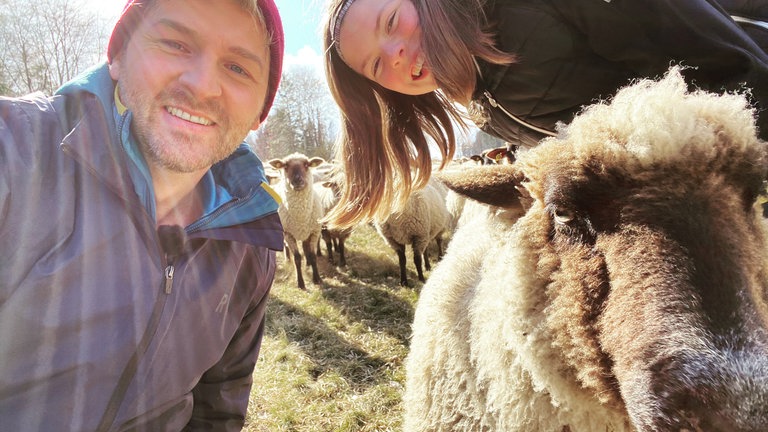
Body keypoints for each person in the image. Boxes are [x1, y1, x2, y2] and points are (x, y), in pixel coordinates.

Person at [0, 0, 285, 430]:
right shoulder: (16, 154)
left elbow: (217, 411)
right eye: (174, 43)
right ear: (116, 56)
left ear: (259, 112)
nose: (204, 85)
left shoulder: (252, 246)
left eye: (238, 68)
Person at [322, 0, 768, 228]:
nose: (395, 53)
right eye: (377, 66)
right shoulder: (475, 92)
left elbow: (727, 62)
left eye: (392, 20)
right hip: (679, 207)